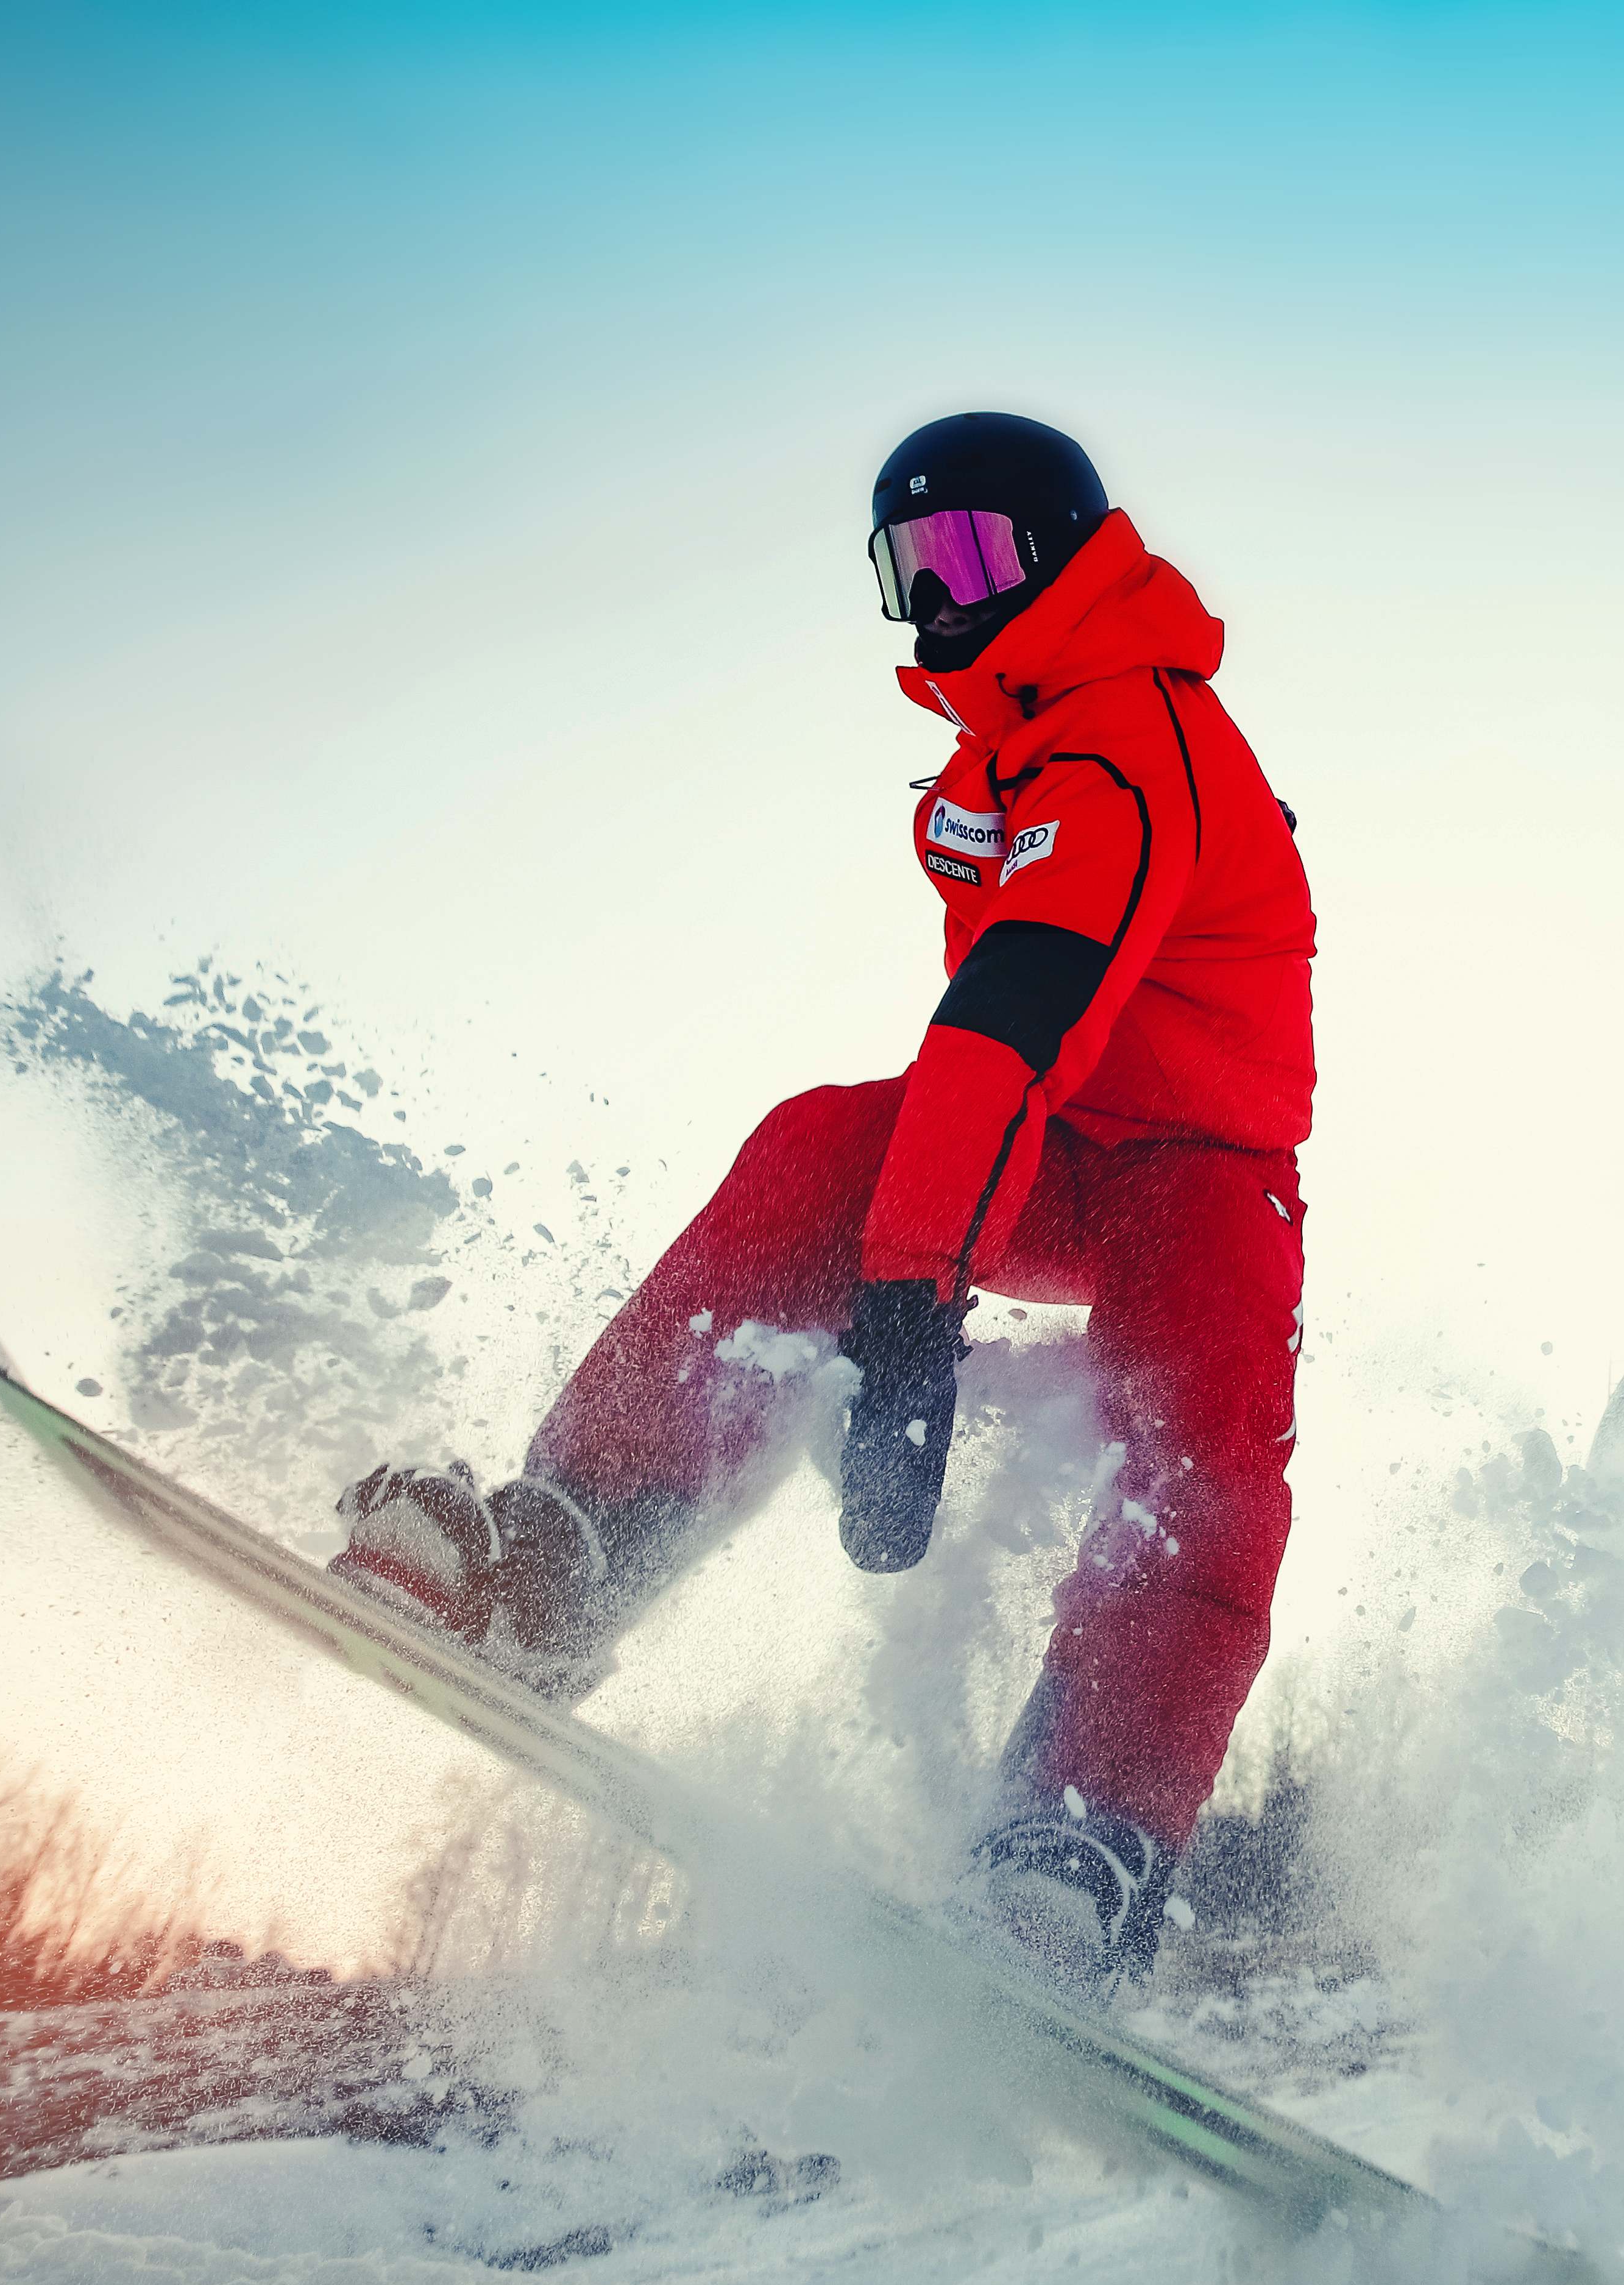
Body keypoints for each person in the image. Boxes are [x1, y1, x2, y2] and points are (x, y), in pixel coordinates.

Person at [330, 413, 1315, 1994]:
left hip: (1204, 1171)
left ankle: (1080, 1835)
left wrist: (914, 1303)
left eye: (977, 557)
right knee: (812, 1153)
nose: (941, 602)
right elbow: (984, 1068)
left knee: (1203, 1441)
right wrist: (893, 1272)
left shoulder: (1132, 740)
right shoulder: (1008, 747)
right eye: (907, 568)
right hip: (1055, 1147)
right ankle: (570, 1553)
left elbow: (1011, 1016)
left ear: (1066, 557)